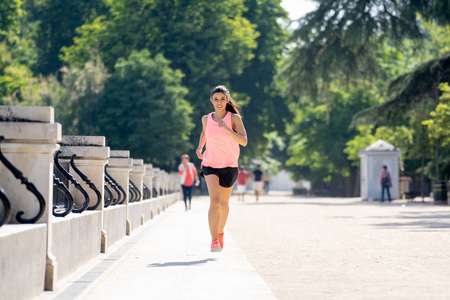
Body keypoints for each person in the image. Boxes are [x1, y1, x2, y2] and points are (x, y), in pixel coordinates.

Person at [196, 85, 247, 252]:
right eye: (216, 99)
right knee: (215, 202)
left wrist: (227, 129)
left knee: (224, 204)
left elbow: (244, 141)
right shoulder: (206, 119)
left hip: (230, 165)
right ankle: (213, 241)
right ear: (211, 100)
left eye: (222, 99)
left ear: (227, 100)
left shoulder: (234, 119)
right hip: (210, 164)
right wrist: (200, 147)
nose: (219, 102)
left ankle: (220, 233)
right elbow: (204, 132)